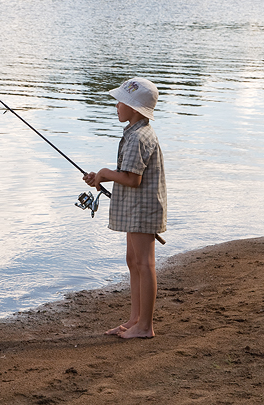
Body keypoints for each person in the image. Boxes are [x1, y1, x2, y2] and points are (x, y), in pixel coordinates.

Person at [83, 77, 167, 339]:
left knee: (145, 263)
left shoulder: (139, 138)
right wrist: (101, 178)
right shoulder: (134, 133)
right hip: (135, 208)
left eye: (121, 102)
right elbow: (127, 175)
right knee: (133, 261)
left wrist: (107, 172)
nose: (116, 106)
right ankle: (135, 319)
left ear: (135, 109)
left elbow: (133, 179)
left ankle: (145, 326)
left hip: (143, 209)